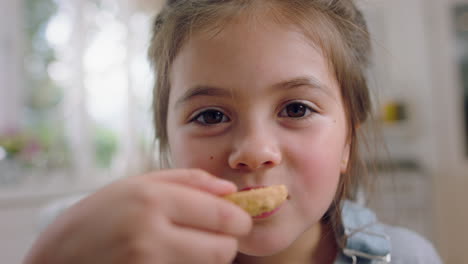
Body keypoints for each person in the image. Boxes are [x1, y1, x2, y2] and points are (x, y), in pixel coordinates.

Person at [23, 0, 443, 263]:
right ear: (167, 138)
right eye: (210, 116)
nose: (254, 151)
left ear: (348, 140)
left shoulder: (409, 258)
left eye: (296, 108)